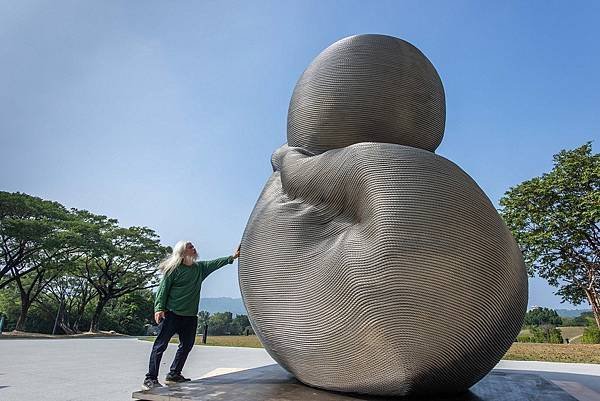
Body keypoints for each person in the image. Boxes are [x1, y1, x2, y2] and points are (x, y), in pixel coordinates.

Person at [142, 240, 240, 390]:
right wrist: (159, 308)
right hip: (172, 314)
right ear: (182, 252)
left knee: (187, 345)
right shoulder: (173, 270)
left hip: (190, 316)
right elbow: (163, 290)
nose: (194, 248)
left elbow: (215, 263)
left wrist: (232, 257)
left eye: (193, 246)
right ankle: (150, 379)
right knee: (160, 345)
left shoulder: (199, 268)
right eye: (190, 247)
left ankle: (174, 374)